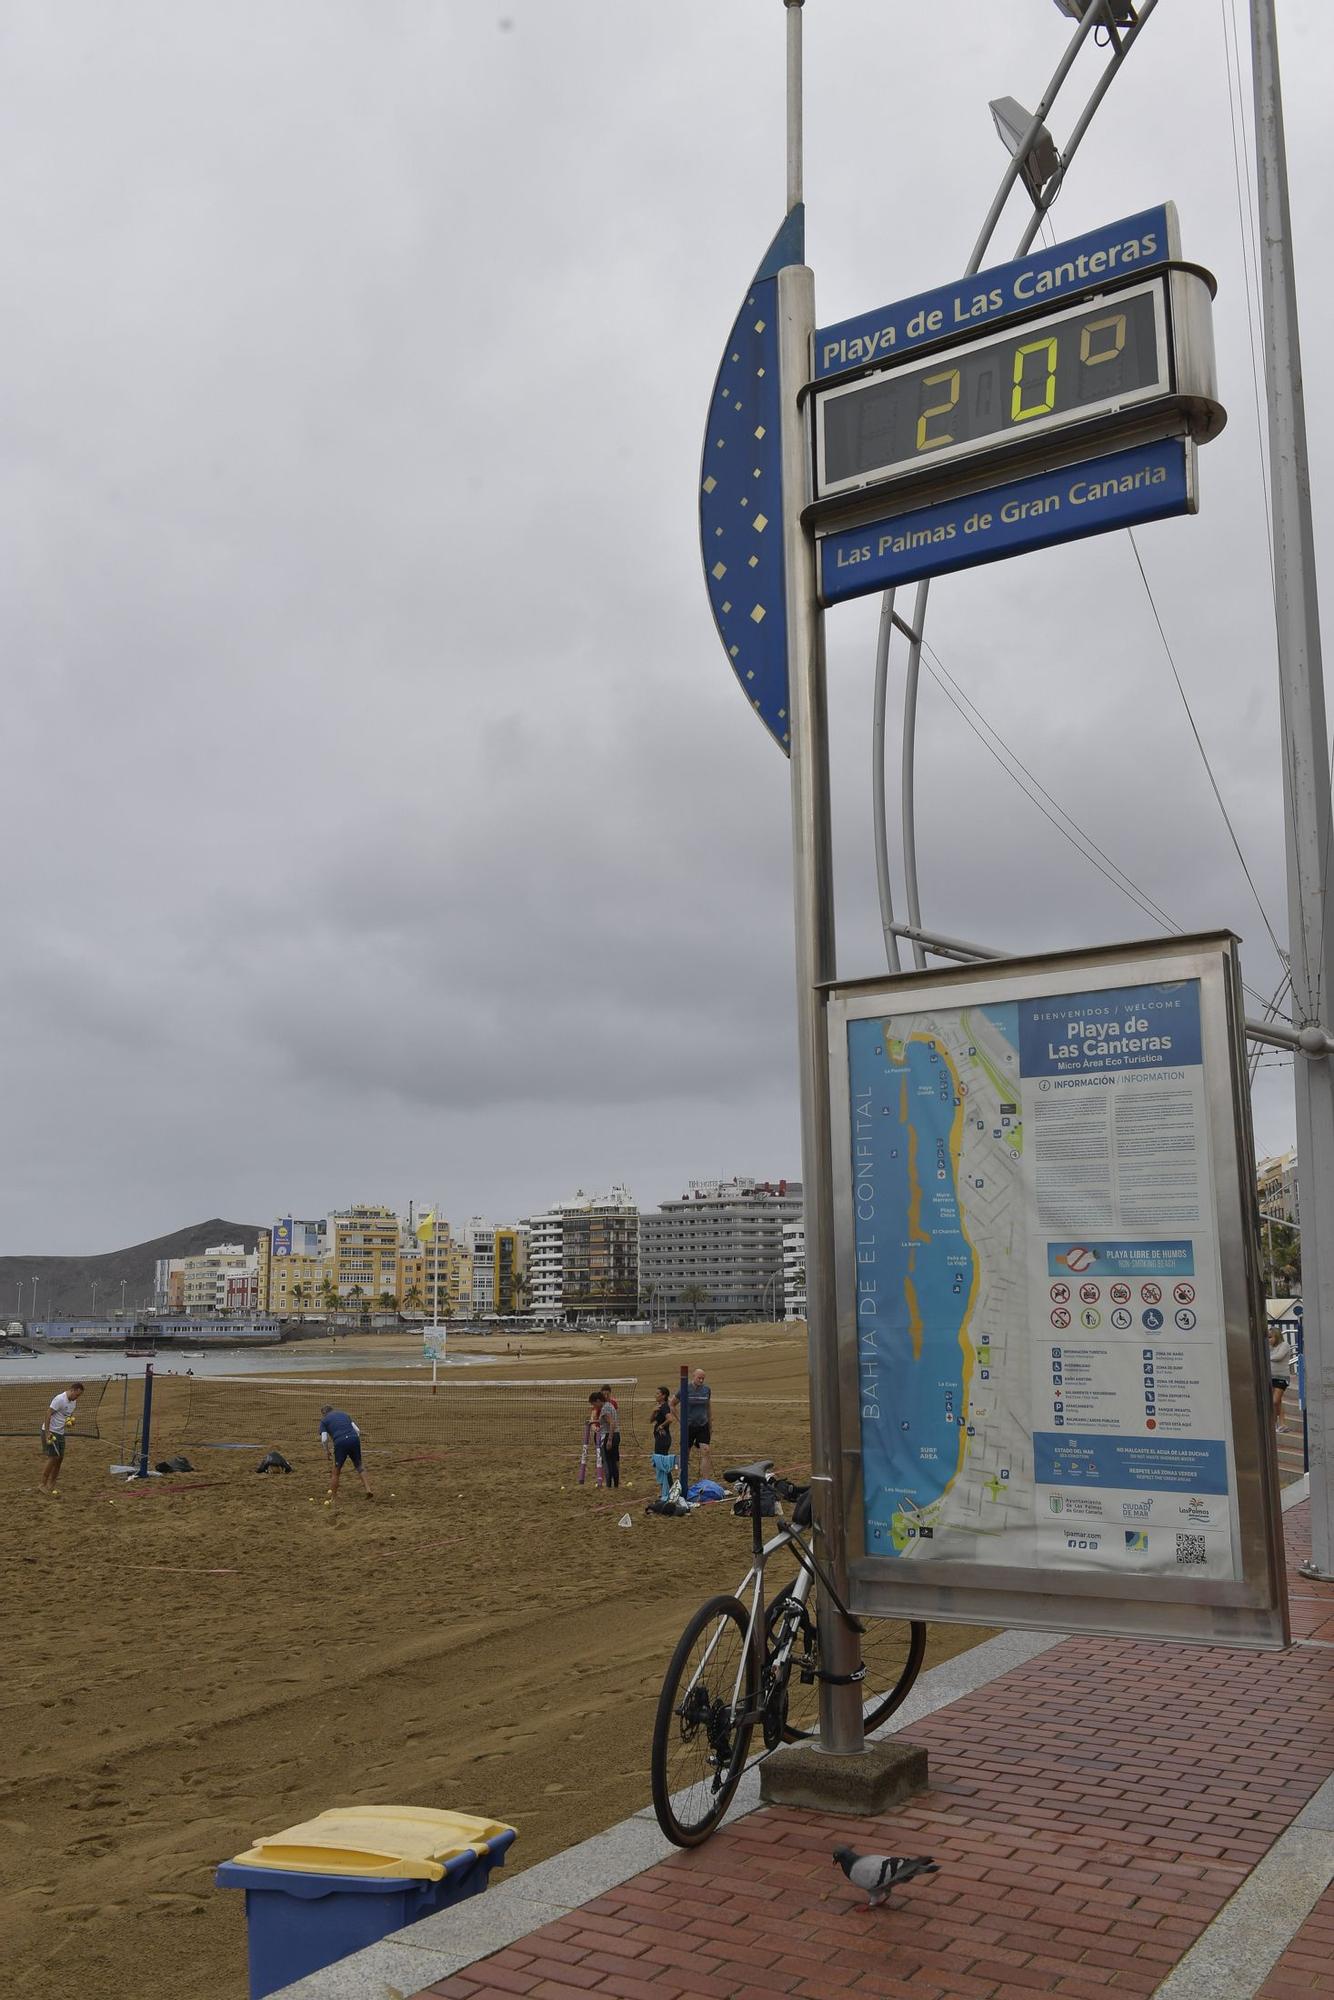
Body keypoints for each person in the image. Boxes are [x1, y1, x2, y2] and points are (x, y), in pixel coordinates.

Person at [318, 1404, 374, 1499]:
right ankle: (368, 1489)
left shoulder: (324, 1420)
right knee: (359, 1466)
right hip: (354, 1439)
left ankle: (333, 1497)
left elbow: (324, 1439)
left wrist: (327, 1451)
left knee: (336, 1471)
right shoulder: (344, 1414)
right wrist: (353, 1441)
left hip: (340, 1442)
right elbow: (357, 1430)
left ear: (324, 1413)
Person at [41, 1382, 84, 1495]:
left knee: (60, 1459)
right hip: (51, 1431)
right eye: (77, 1395)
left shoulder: (73, 1402)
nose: (77, 1397)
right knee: (53, 1458)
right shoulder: (59, 1399)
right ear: (73, 1390)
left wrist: (70, 1421)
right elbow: (48, 1414)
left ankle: (51, 1485)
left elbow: (68, 1416)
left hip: (60, 1433)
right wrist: (47, 1433)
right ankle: (42, 1484)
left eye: (79, 1396)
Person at [673, 1367, 714, 1481]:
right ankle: (682, 1478)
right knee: (685, 1453)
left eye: (703, 1378)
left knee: (706, 1450)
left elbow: (708, 1407)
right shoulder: (685, 1389)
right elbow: (672, 1404)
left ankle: (706, 1481)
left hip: (703, 1425)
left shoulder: (707, 1390)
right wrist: (681, 1421)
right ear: (693, 1376)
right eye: (699, 1378)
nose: (701, 1380)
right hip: (688, 1426)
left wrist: (710, 1424)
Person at [650, 1385, 675, 1502]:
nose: (656, 1395)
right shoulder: (659, 1407)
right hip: (660, 1439)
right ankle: (668, 1488)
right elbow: (651, 1421)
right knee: (661, 1463)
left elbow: (670, 1419)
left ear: (663, 1396)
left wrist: (661, 1425)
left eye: (658, 1394)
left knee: (662, 1464)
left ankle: (669, 1489)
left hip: (663, 1439)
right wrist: (654, 1412)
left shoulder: (665, 1407)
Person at [1269, 1325, 1295, 1433]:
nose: (1269, 1339)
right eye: (1268, 1337)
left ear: (1277, 1336)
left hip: (1282, 1377)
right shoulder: (1269, 1347)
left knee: (1275, 1400)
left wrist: (1266, 1356)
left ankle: (1277, 1422)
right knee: (1277, 1401)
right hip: (1271, 1376)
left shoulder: (1284, 1345)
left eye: (1271, 1337)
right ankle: (1280, 1424)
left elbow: (1278, 1357)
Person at [599, 1385, 621, 1488]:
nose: (606, 1395)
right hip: (615, 1434)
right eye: (604, 1393)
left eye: (608, 1393)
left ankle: (609, 1484)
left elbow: (612, 1423)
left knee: (609, 1461)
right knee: (612, 1460)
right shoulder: (609, 1405)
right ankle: (615, 1484)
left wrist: (609, 1440)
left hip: (610, 1434)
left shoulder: (606, 1407)